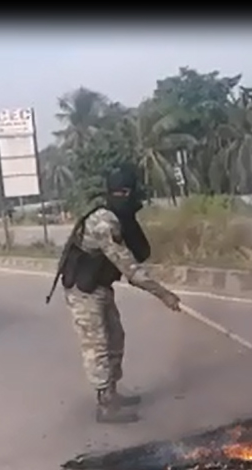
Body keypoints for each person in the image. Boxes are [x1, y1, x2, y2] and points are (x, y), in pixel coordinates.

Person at [46, 163, 182, 424]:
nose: (127, 198)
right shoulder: (103, 222)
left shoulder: (120, 218)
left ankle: (113, 392)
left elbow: (137, 252)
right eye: (123, 193)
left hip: (100, 287)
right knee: (97, 344)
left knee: (116, 337)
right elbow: (129, 267)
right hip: (83, 291)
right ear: (117, 193)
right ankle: (105, 405)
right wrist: (164, 294)